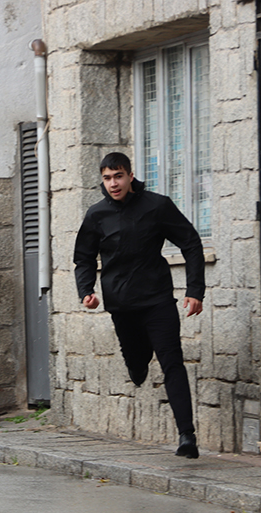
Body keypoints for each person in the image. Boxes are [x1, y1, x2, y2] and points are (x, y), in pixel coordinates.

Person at [74, 151, 205, 459]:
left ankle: (187, 435)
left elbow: (191, 242)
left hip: (158, 299)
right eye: (107, 178)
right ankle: (137, 363)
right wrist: (86, 291)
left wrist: (195, 290)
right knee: (136, 359)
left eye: (118, 176)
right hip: (121, 305)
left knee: (172, 361)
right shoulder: (96, 215)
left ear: (130, 176)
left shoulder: (157, 206)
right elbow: (83, 257)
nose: (113, 183)